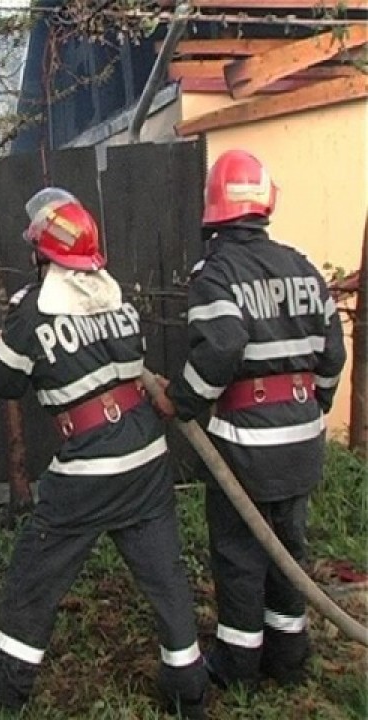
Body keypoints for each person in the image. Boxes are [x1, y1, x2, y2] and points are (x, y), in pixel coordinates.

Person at [0, 188, 208, 717]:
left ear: (42, 254)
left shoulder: (34, 309)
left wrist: (8, 340)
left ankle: (3, 692)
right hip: (146, 458)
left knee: (34, 576)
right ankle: (189, 693)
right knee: (166, 578)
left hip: (91, 470)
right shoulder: (116, 298)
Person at [155, 149, 347, 690]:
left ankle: (238, 669)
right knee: (288, 549)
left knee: (240, 554)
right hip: (303, 439)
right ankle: (288, 659)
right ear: (264, 204)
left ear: (214, 212)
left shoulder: (216, 276)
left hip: (248, 442)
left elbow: (222, 346)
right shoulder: (303, 268)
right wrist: (314, 404)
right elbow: (332, 356)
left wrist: (183, 401)